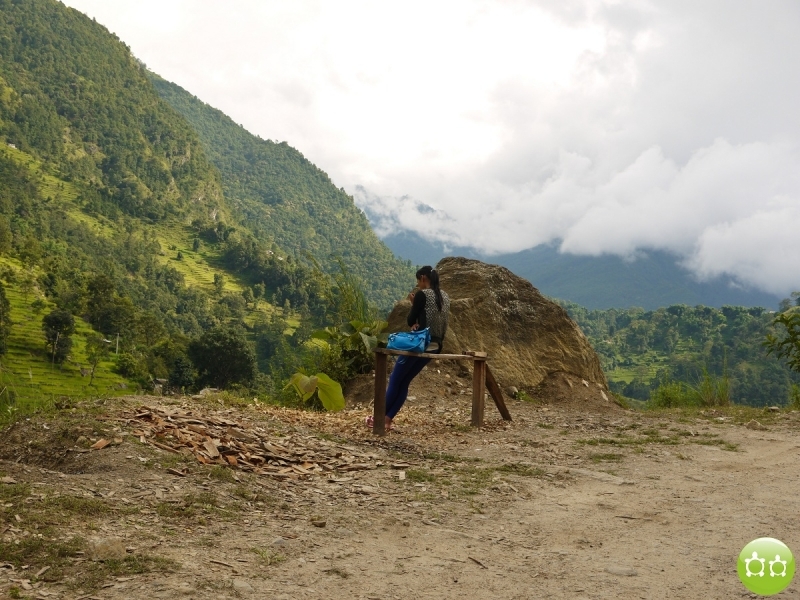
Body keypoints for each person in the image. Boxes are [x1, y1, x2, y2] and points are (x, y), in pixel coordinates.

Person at [367, 265, 450, 431]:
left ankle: (378, 418)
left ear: (423, 278)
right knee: (404, 382)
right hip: (436, 346)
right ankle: (387, 419)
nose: (418, 284)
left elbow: (411, 320)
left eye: (418, 281)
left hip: (419, 344)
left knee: (396, 379)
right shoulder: (445, 296)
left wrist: (414, 304)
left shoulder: (422, 295)